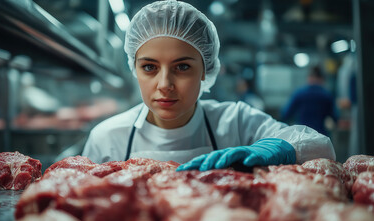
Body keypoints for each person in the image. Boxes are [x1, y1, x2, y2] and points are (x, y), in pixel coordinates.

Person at [82, 0, 335, 171]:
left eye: (182, 67)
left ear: (205, 70)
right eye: (149, 67)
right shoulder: (107, 139)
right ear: (134, 69)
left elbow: (321, 147)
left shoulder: (235, 122)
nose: (165, 84)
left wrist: (278, 148)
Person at [281, 66, 338, 136]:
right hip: (320, 135)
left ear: (309, 78)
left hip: (302, 135)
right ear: (322, 79)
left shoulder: (299, 93)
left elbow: (285, 114)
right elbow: (335, 117)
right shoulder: (326, 95)